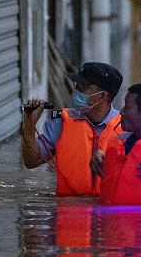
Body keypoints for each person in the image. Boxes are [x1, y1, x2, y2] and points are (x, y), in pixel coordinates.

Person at [22, 62, 125, 196]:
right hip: (68, 210)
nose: (76, 90)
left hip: (110, 210)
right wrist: (30, 124)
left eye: (84, 87)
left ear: (102, 96)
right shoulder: (61, 122)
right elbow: (30, 162)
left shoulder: (125, 127)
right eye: (76, 85)